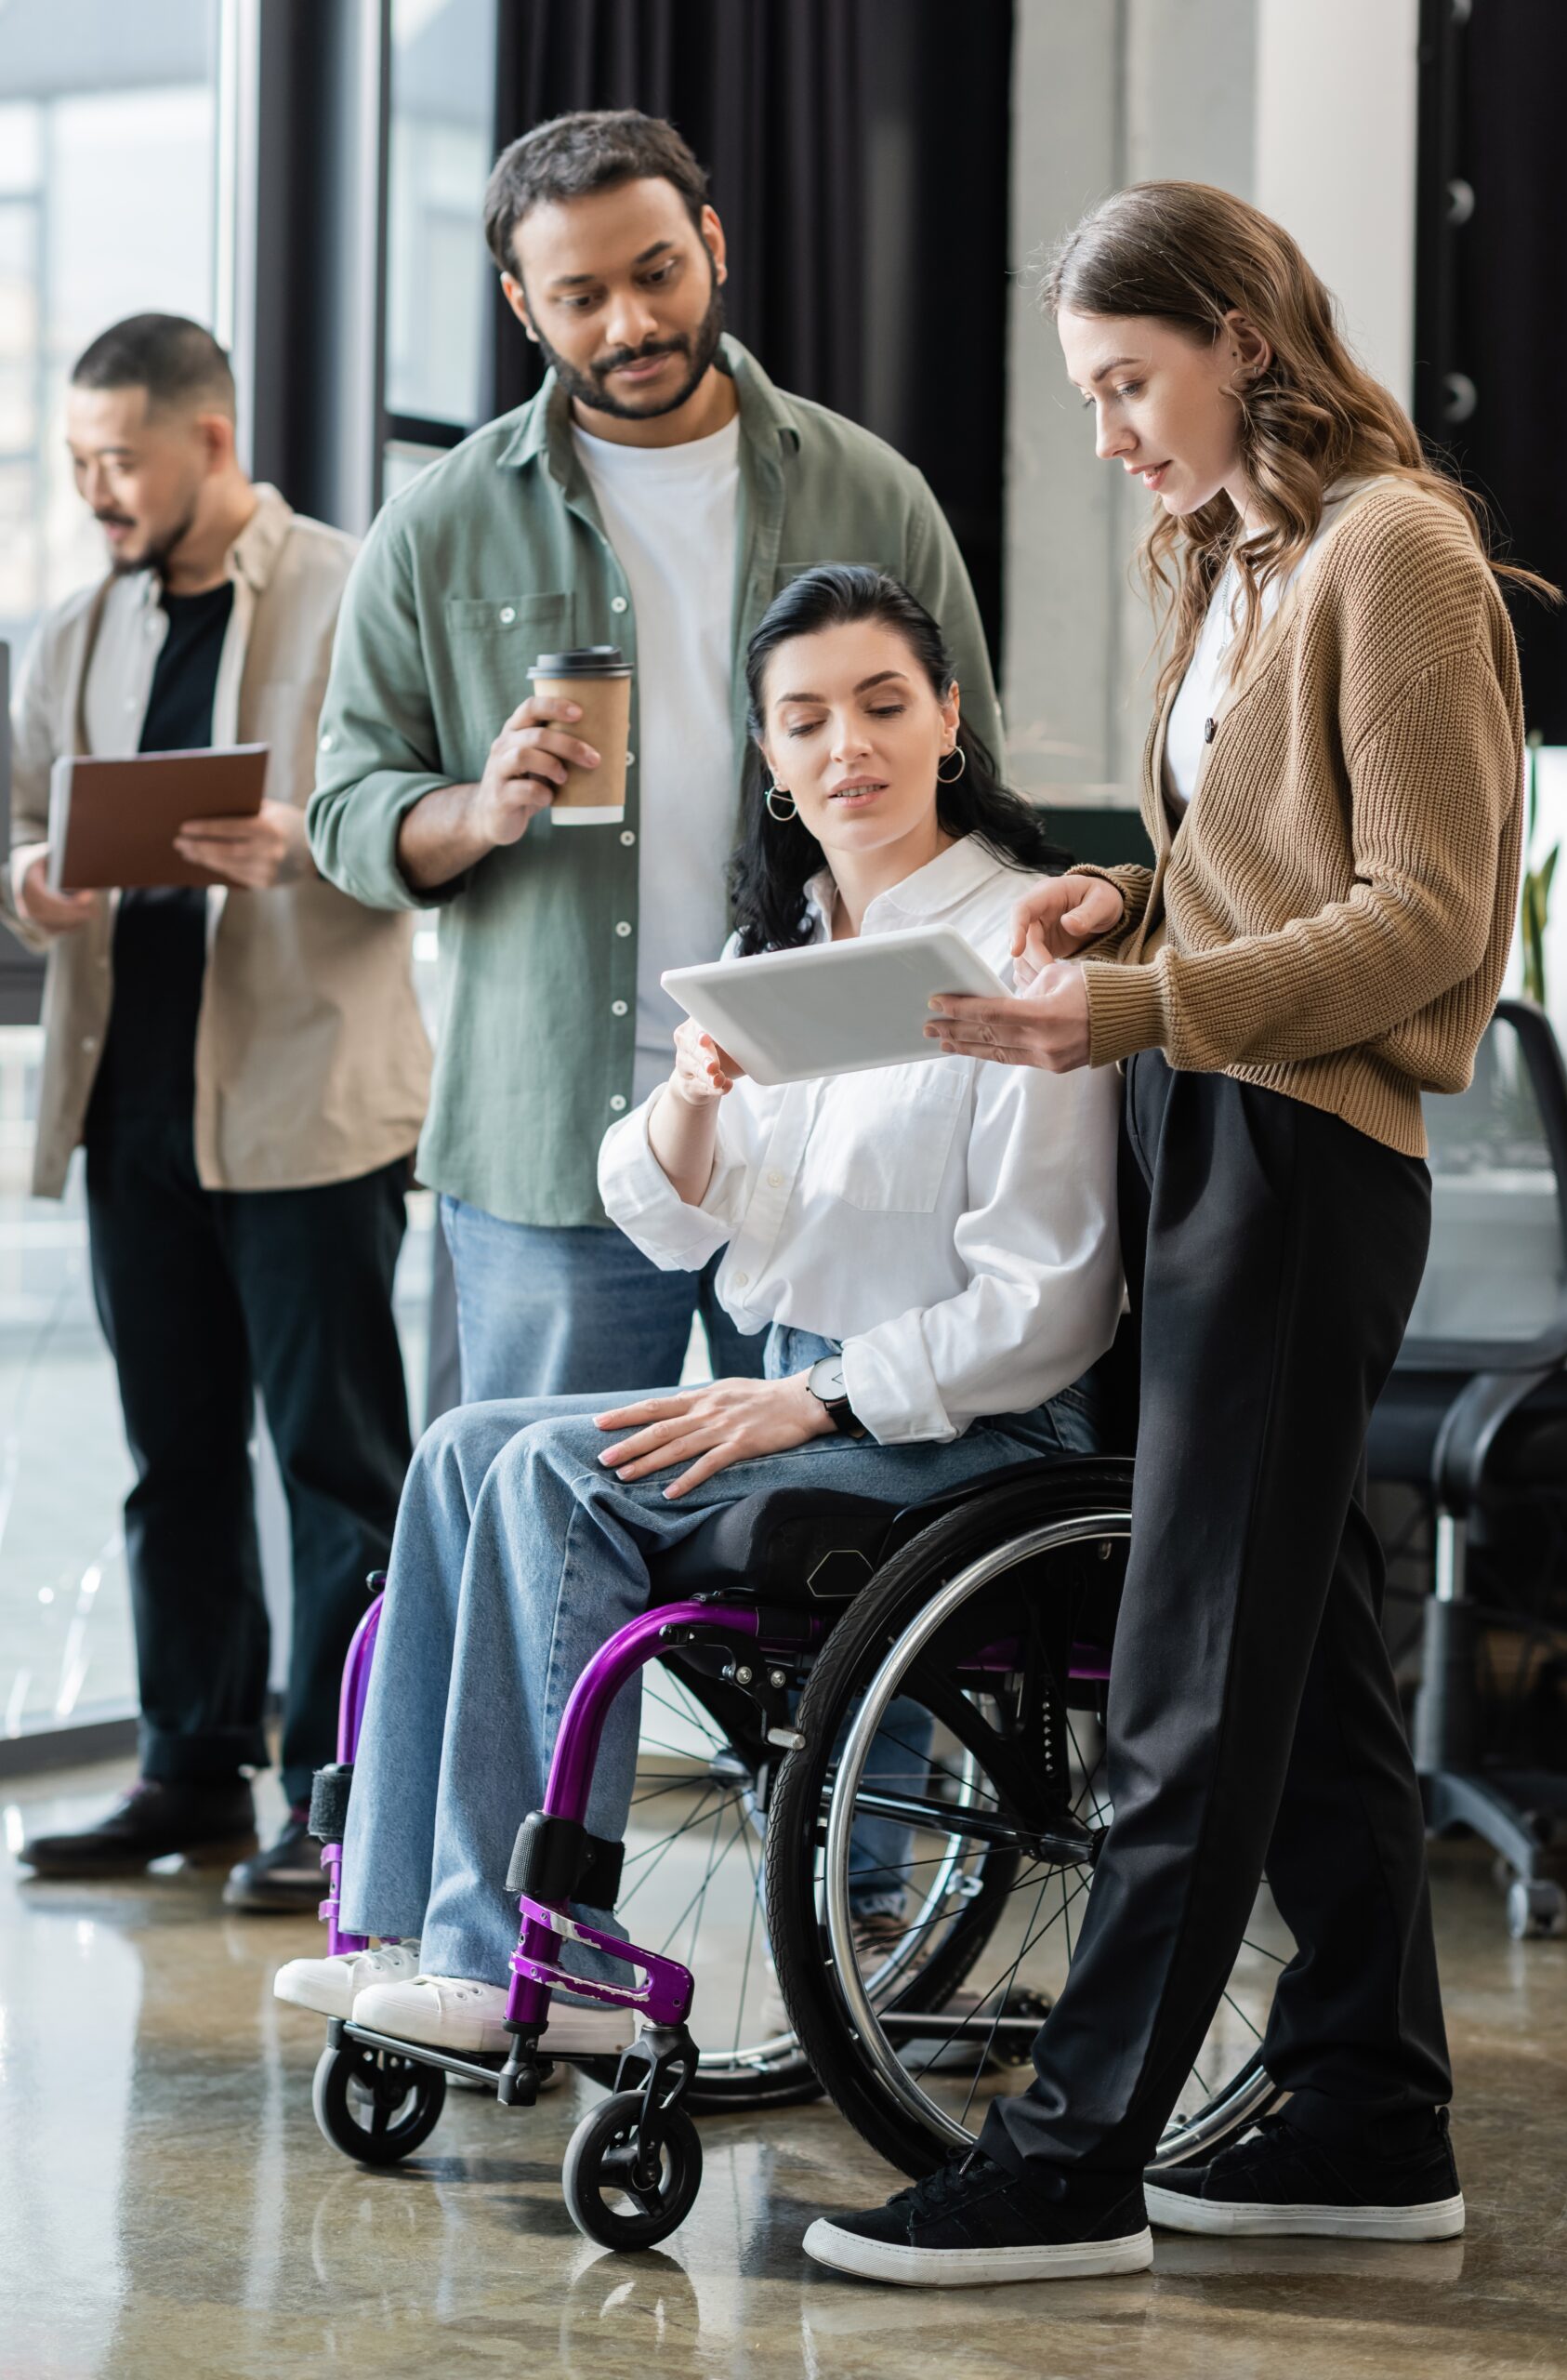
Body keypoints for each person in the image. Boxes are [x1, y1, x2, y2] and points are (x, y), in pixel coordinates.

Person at [803, 182, 1545, 2290]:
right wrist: (1127, 901)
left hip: (1302, 1153)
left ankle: (1071, 2152)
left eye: (1131, 382)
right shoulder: (1243, 551)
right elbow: (1283, 861)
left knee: (1186, 1677)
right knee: (1294, 1666)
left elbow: (1426, 919)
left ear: (1239, 333)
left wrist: (1141, 996)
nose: (1113, 431)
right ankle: (1369, 2105)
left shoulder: (1392, 545)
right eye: (1091, 396)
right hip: (1211, 1127)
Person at [272, 567, 1121, 2057]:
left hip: (961, 1430)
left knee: (551, 1473)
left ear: (946, 722)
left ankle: (533, 1951)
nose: (843, 745)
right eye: (802, 721)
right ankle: (401, 1919)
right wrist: (687, 1097)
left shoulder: (1023, 952)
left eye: (877, 704)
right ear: (770, 759)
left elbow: (1048, 1305)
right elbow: (661, 1212)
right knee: (466, 1441)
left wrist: (818, 1399)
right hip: (812, 1397)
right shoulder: (775, 953)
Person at [307, 110, 1002, 1406]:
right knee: (552, 1538)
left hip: (827, 1125)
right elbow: (345, 814)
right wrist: (476, 809)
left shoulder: (870, 490)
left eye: (655, 274)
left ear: (713, 245)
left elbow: (977, 786)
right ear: (522, 304)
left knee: (825, 1548)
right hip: (552, 1146)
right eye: (580, 296)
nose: (628, 324)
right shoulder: (438, 522)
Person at [9, 316, 430, 1909]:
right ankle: (189, 1767)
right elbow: (21, 807)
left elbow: (421, 812)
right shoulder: (80, 630)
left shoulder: (348, 586)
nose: (98, 491)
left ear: (211, 437)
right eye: (78, 464)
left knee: (336, 1464)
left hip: (305, 1095)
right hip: (133, 1100)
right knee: (169, 1450)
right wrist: (32, 886)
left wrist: (311, 844)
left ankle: (336, 1796)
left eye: (120, 459)